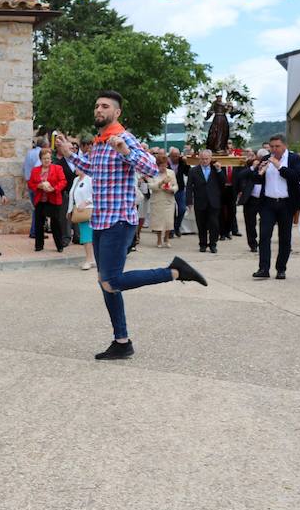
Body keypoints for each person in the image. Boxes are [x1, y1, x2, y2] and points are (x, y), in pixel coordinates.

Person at [56, 90, 208, 361]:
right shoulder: (101, 142)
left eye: (105, 106)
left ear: (117, 113)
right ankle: (122, 341)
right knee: (106, 283)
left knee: (112, 281)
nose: (98, 110)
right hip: (101, 219)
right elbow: (92, 169)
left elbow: (151, 168)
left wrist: (125, 151)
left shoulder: (123, 138)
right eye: (97, 106)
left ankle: (174, 271)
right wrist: (69, 153)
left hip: (119, 220)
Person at [252, 134, 300, 280]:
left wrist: (279, 166)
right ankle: (263, 268)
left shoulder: (294, 159)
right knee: (264, 236)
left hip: (286, 203)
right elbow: (256, 180)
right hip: (268, 203)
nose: (274, 149)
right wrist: (258, 171)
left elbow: (296, 177)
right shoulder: (266, 158)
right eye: (272, 146)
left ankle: (281, 269)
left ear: (285, 146)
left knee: (285, 238)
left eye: (277, 146)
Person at [186, 149, 226, 254]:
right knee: (201, 224)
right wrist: (189, 201)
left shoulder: (216, 169)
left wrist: (219, 170)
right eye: (202, 159)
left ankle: (213, 244)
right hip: (200, 201)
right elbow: (189, 187)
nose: (204, 161)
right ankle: (202, 244)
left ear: (210, 158)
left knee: (214, 224)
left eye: (206, 159)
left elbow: (223, 182)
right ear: (199, 158)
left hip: (214, 201)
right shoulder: (193, 170)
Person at [27, 147, 67, 252]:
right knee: (39, 223)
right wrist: (39, 186)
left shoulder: (57, 168)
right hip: (40, 199)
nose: (47, 160)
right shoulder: (35, 170)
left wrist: (54, 189)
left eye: (48, 158)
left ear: (51, 159)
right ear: (40, 159)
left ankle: (59, 245)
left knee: (55, 223)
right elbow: (30, 183)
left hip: (53, 198)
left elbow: (63, 182)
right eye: (44, 158)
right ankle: (39, 245)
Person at [236, 149, 268, 252]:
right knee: (250, 223)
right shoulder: (251, 165)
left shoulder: (270, 166)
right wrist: (253, 167)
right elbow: (240, 176)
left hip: (264, 199)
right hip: (251, 199)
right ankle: (253, 244)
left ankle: (263, 242)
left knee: (266, 222)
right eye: (260, 157)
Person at [67, 168, 95, 269]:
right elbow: (72, 196)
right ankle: (91, 259)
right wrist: (69, 210)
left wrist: (86, 202)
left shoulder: (90, 179)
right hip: (79, 211)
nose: (76, 169)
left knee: (86, 236)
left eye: (78, 166)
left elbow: (96, 193)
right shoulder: (76, 180)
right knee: (86, 236)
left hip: (89, 211)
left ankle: (90, 260)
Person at [148, 154, 178, 248]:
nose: (164, 168)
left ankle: (167, 238)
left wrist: (172, 189)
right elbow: (151, 186)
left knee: (169, 221)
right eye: (162, 166)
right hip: (157, 200)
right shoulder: (152, 173)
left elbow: (176, 185)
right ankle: (159, 239)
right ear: (157, 165)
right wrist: (161, 183)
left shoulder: (171, 173)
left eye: (165, 165)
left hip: (168, 199)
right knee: (158, 222)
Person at [54, 139, 76, 247]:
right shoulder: (59, 164)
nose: (72, 150)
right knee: (66, 215)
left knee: (78, 214)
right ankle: (66, 237)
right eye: (70, 148)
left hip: (77, 192)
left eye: (73, 148)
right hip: (66, 192)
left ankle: (78, 236)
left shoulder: (78, 162)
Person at [23, 134, 44, 238]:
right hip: (37, 184)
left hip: (29, 183)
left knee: (36, 208)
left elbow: (24, 168)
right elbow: (38, 168)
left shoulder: (29, 153)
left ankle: (34, 230)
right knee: (39, 208)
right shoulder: (41, 154)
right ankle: (36, 231)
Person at [167, 147, 190, 238]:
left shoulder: (182, 162)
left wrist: (186, 162)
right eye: (173, 156)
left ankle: (177, 226)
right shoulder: (167, 163)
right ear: (170, 156)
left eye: (177, 156)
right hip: (169, 190)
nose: (175, 158)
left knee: (182, 209)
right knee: (171, 211)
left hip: (180, 189)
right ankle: (171, 230)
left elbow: (188, 172)